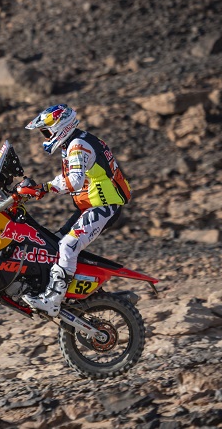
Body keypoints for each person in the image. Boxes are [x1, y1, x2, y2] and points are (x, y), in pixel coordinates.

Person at [16, 103, 131, 316]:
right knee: (54, 242)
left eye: (46, 131)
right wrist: (46, 187)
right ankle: (65, 291)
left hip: (103, 207)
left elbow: (76, 181)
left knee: (67, 246)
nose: (44, 136)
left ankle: (53, 300)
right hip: (91, 206)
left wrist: (46, 188)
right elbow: (72, 175)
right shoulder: (76, 142)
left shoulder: (77, 146)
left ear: (61, 127)